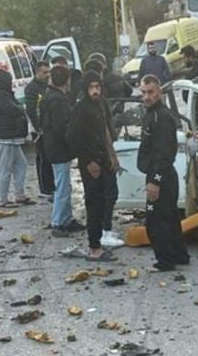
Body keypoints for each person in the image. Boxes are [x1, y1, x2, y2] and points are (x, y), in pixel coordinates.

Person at [67, 70, 123, 260]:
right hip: (90, 164)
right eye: (91, 87)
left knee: (107, 198)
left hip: (104, 159)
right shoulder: (81, 108)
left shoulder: (101, 104)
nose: (95, 91)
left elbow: (105, 132)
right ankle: (94, 248)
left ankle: (101, 237)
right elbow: (72, 137)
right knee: (94, 204)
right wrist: (89, 161)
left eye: (97, 87)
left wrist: (112, 156)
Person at [137, 75, 191, 271]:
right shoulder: (151, 115)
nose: (147, 96)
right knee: (169, 218)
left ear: (159, 92)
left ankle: (165, 261)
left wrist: (155, 182)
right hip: (160, 175)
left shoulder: (161, 117)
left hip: (161, 177)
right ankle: (179, 255)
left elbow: (164, 154)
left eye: (151, 92)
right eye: (143, 92)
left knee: (155, 221)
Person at [41, 65, 85, 237]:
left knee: (64, 185)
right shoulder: (58, 100)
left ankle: (66, 219)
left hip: (53, 147)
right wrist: (76, 142)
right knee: (62, 187)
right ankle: (58, 223)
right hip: (59, 149)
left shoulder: (49, 96)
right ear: (68, 81)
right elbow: (63, 127)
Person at [0, 69, 34, 208]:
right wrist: (20, 108)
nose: (11, 84)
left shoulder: (3, 93)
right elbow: (14, 110)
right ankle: (3, 200)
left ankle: (19, 195)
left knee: (21, 164)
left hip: (10, 136)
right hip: (4, 137)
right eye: (9, 81)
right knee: (5, 169)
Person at [25, 61, 55, 199]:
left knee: (50, 158)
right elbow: (31, 110)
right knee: (43, 158)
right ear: (37, 72)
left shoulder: (48, 86)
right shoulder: (32, 88)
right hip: (39, 130)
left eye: (49, 72)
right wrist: (39, 129)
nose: (47, 75)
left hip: (48, 128)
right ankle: (45, 188)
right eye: (44, 72)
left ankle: (51, 185)